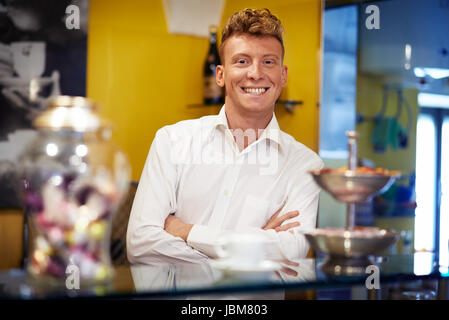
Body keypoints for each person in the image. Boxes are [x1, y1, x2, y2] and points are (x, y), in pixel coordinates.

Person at [126, 8, 323, 264]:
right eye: (242, 61)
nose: (255, 73)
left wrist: (187, 232)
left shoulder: (306, 166)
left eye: (268, 61)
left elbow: (291, 251)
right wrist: (247, 253)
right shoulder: (172, 141)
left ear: (282, 75)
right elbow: (140, 244)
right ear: (220, 75)